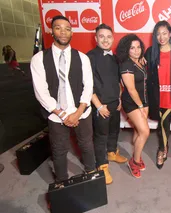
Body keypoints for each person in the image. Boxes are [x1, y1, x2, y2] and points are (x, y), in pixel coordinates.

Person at [30, 15, 97, 183]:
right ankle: (62, 183)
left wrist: (78, 112)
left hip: (81, 112)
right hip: (56, 114)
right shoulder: (39, 59)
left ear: (72, 32)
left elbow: (88, 86)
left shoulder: (82, 58)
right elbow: (41, 92)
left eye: (67, 28)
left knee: (87, 145)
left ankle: (92, 176)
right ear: (52, 31)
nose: (63, 32)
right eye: (58, 28)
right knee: (59, 151)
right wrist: (63, 115)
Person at [87, 24, 127, 184]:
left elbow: (117, 81)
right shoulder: (89, 57)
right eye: (101, 36)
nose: (105, 39)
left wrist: (119, 98)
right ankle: (102, 165)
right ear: (96, 38)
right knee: (100, 136)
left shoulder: (115, 57)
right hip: (100, 105)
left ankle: (112, 152)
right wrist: (98, 106)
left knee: (114, 131)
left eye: (108, 36)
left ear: (113, 38)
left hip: (114, 103)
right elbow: (86, 85)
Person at [145, 21, 171, 169]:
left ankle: (162, 150)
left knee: (163, 123)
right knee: (163, 122)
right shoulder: (150, 52)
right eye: (158, 34)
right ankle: (165, 146)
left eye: (164, 33)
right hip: (156, 95)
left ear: (170, 34)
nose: (161, 37)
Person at [116, 34, 149, 178]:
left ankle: (137, 155)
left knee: (138, 130)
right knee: (145, 131)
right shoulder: (126, 64)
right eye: (132, 48)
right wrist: (141, 106)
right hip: (132, 102)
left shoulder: (140, 61)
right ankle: (134, 162)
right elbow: (130, 89)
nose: (136, 50)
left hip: (143, 100)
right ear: (126, 50)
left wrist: (144, 104)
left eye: (138, 47)